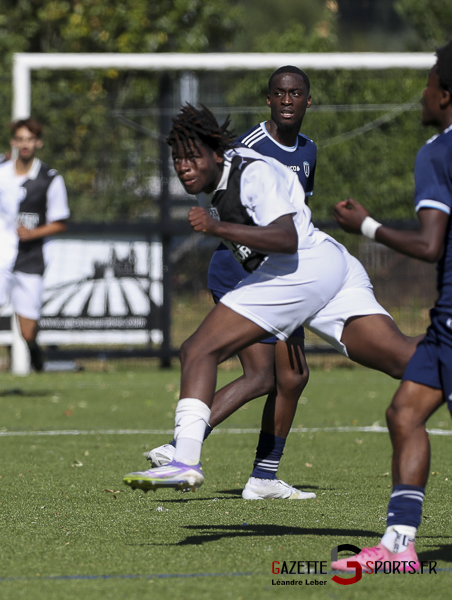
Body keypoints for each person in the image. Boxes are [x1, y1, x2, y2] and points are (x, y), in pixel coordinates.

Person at [122, 103, 419, 494]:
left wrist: (216, 227)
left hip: (301, 268)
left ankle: (184, 460)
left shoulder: (251, 172)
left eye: (193, 157)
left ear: (217, 153)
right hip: (330, 268)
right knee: (405, 360)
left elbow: (285, 238)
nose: (184, 166)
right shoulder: (225, 177)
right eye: (178, 159)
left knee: (198, 350)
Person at [144, 66, 319, 501]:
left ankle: (256, 473)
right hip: (241, 268)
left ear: (308, 101)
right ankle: (193, 449)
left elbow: (293, 217)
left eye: (295, 93)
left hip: (276, 268)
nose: (287, 101)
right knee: (275, 375)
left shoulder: (309, 151)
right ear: (268, 99)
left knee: (282, 378)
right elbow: (231, 209)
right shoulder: (248, 147)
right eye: (279, 93)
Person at [330, 42, 452, 574]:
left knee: (406, 413)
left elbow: (429, 246)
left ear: (445, 95)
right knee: (404, 412)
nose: (421, 92)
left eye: (428, 83)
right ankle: (400, 542)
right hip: (443, 324)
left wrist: (368, 228)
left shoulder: (437, 152)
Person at [0, 118, 70, 400]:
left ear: (38, 143)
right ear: (13, 142)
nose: (25, 144)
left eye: (30, 139)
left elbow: (60, 222)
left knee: (27, 330)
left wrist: (33, 234)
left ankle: (33, 349)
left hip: (30, 257)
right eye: (20, 139)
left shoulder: (50, 179)